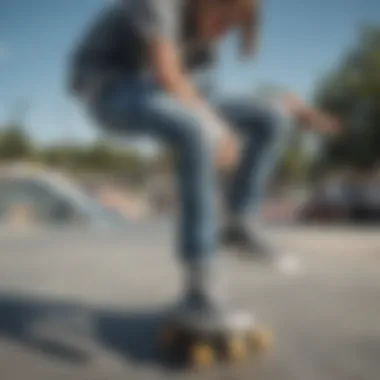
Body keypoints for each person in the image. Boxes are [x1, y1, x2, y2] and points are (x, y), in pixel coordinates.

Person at [68, 0, 339, 331]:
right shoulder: (161, 5)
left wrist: (287, 108)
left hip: (156, 93)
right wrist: (214, 127)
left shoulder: (206, 46)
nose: (222, 34)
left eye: (233, 28)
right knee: (197, 127)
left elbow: (195, 95)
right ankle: (200, 292)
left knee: (268, 118)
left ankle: (238, 223)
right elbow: (169, 77)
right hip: (108, 88)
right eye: (223, 18)